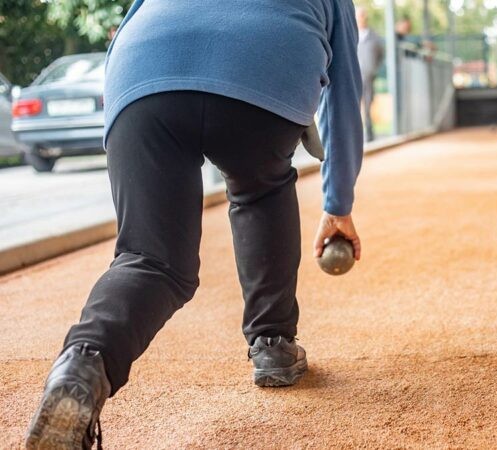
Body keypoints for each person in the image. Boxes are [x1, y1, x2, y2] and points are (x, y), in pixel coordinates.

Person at [25, 1, 363, 448]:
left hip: (141, 74)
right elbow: (342, 97)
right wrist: (338, 204)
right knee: (261, 186)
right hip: (261, 70)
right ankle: (273, 344)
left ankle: (82, 366)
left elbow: (133, 19)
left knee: (150, 259)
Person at [356, 7, 384, 143]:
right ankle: (355, 135)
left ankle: (369, 134)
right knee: (353, 106)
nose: (361, 18)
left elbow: (381, 55)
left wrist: (373, 69)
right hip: (353, 77)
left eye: (363, 15)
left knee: (367, 105)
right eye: (359, 16)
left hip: (368, 77)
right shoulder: (351, 34)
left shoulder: (374, 37)